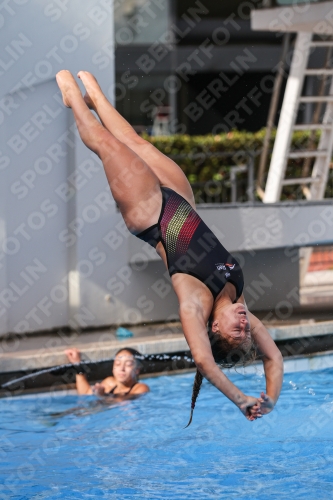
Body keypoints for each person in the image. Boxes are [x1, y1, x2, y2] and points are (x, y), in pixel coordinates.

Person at [56, 70, 283, 425]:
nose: (244, 324)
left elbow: (205, 362)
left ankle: (72, 98)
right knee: (135, 140)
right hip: (182, 202)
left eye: (238, 330)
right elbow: (275, 359)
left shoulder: (195, 305)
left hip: (151, 215)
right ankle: (94, 97)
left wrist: (240, 400)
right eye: (246, 330)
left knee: (107, 143)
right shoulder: (237, 299)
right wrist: (271, 400)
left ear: (215, 330)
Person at [65, 347, 149, 396]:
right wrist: (77, 365)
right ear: (113, 368)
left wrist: (103, 396)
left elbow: (124, 404)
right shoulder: (109, 383)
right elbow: (85, 393)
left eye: (128, 364)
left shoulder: (141, 388)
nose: (122, 368)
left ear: (137, 370)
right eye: (118, 364)